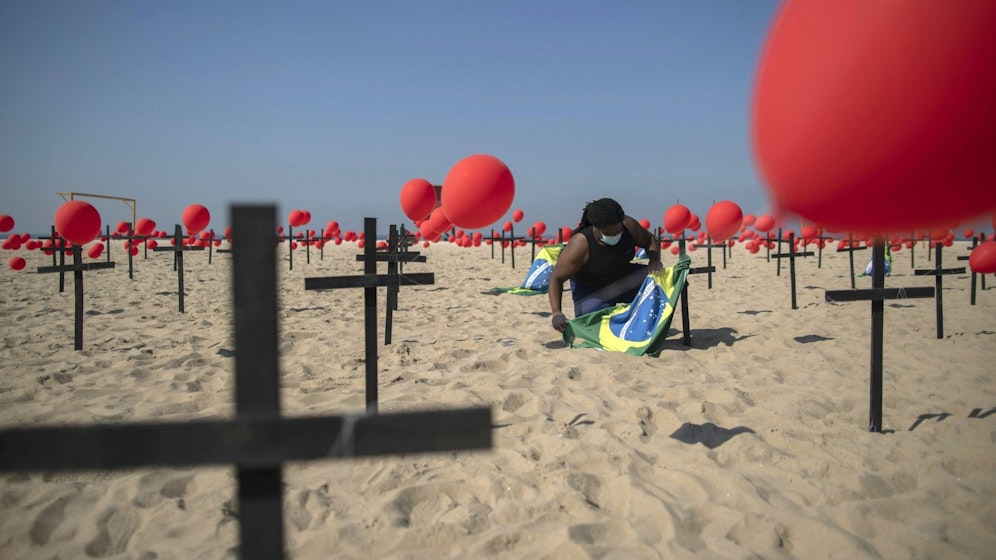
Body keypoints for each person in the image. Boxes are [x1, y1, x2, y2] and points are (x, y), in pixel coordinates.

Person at [549, 198, 663, 332]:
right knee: (594, 330)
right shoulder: (580, 244)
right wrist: (556, 312)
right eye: (610, 234)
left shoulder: (629, 226)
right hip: (593, 289)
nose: (615, 235)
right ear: (597, 228)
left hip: (625, 277)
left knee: (661, 282)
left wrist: (654, 259)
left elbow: (649, 240)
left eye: (618, 232)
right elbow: (556, 278)